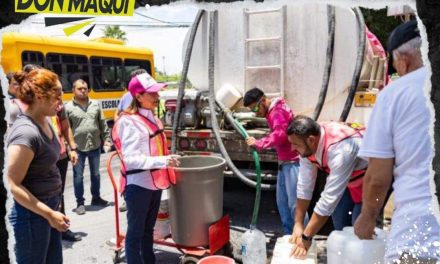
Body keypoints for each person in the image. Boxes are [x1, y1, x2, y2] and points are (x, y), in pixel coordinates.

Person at [354, 20, 440, 263]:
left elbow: (378, 176)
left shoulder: (395, 93)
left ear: (403, 59)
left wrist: (368, 217)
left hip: (422, 235)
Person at [112, 72, 179, 263]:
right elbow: (131, 159)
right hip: (138, 186)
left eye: (157, 92)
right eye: (152, 93)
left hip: (153, 185)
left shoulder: (153, 119)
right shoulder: (129, 122)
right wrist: (164, 161)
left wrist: (166, 159)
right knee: (135, 233)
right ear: (138, 96)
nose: (157, 97)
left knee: (148, 230)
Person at [7, 68, 70, 263]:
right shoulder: (26, 132)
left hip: (48, 208)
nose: (61, 100)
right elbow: (12, 185)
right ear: (40, 97)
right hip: (31, 216)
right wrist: (49, 213)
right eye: (57, 95)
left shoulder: (45, 121)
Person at [286, 115, 368, 258]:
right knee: (340, 223)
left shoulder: (341, 150)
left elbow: (328, 200)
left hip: (371, 180)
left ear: (311, 140)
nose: (292, 148)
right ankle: (345, 259)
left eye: (296, 144)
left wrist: (307, 237)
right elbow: (305, 186)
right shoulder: (306, 145)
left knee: (360, 229)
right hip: (349, 180)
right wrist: (298, 224)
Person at [243, 87, 301, 235]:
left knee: (295, 205)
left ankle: (302, 237)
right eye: (252, 110)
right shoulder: (274, 111)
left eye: (256, 108)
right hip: (285, 162)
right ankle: (290, 237)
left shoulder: (277, 111)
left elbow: (280, 134)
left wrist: (259, 143)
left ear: (263, 100)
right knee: (282, 203)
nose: (256, 112)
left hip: (293, 161)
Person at [65, 79, 112, 215]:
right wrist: (69, 148)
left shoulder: (95, 104)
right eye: (80, 88)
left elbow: (102, 124)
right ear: (73, 90)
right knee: (78, 176)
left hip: (95, 146)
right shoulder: (68, 108)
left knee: (96, 174)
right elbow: (66, 129)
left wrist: (107, 140)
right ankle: (80, 203)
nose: (83, 91)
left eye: (85, 88)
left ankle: (96, 198)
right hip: (77, 148)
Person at [51, 105, 81, 241]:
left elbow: (65, 127)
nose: (59, 97)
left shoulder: (59, 106)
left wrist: (72, 148)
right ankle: (49, 229)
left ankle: (62, 228)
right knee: (45, 194)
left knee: (59, 194)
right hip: (43, 157)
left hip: (61, 156)